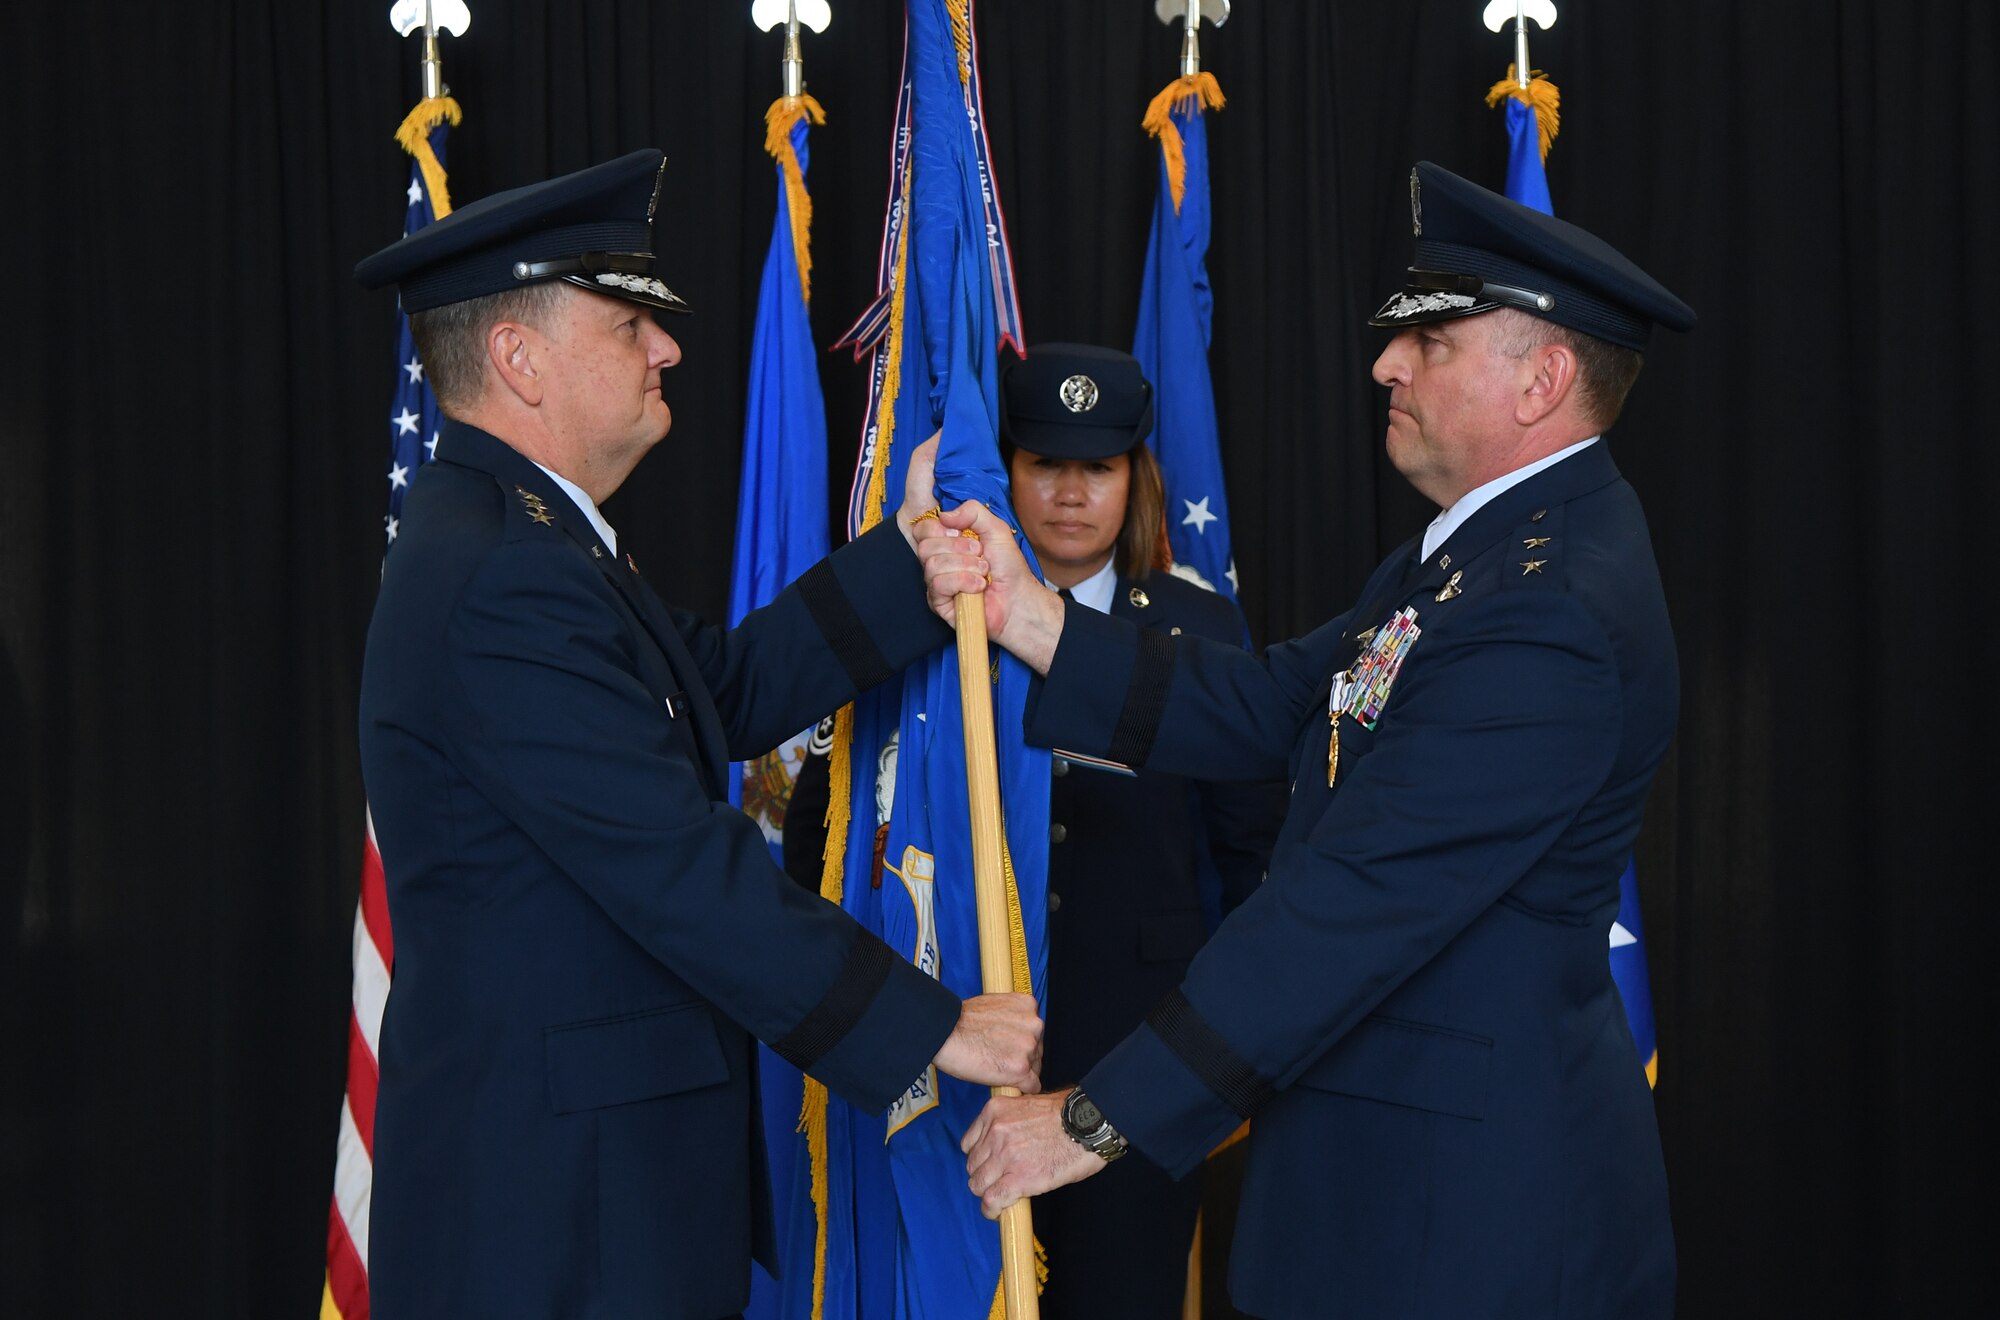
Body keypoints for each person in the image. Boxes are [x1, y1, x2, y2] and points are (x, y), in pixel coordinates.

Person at [921, 161, 1696, 1319]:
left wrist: (1094, 1119)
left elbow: (1347, 903)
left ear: (1538, 381)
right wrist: (1027, 618)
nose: (1386, 360)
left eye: (1429, 344)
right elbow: (1270, 701)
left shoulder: (1549, 610)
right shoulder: (1468, 556)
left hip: (1469, 1223)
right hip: (1388, 1186)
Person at [350, 149, 1041, 1320]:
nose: (665, 346)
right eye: (626, 322)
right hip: (557, 1216)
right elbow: (677, 865)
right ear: (518, 360)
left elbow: (709, 690)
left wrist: (905, 561)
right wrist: (932, 1028)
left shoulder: (529, 545)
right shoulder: (501, 574)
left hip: (593, 1184)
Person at [783, 345, 1285, 1319]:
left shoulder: (1195, 630)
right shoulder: (926, 623)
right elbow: (826, 834)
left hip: (1130, 1068)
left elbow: (1253, 861)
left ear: (1134, 475)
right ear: (1003, 469)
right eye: (1043, 462)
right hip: (942, 1059)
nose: (1066, 493)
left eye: (1095, 467)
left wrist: (1200, 1062)